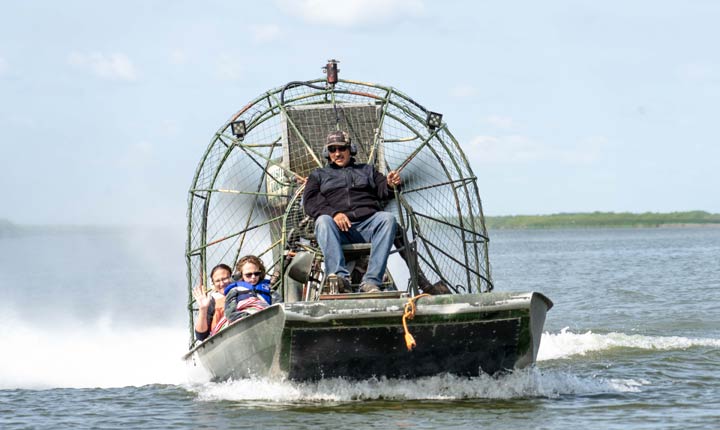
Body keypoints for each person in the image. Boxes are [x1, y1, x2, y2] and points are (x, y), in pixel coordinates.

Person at [303, 130, 401, 293]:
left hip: (366, 226)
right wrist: (334, 214)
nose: (337, 153)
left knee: (388, 219)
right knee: (322, 221)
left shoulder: (367, 170)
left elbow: (384, 190)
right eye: (332, 150)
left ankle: (371, 281)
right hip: (336, 230)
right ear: (327, 153)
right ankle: (340, 279)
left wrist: (391, 184)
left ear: (351, 149)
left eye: (341, 149)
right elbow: (310, 201)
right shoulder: (318, 175)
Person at [222, 255, 273, 323]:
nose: (253, 277)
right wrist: (250, 316)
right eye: (248, 275)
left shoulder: (268, 288)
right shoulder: (234, 290)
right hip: (245, 324)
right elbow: (230, 314)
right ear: (240, 275)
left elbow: (280, 307)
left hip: (267, 319)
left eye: (256, 273)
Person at [192, 263, 233, 341]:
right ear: (213, 284)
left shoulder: (242, 292)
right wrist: (203, 309)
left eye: (225, 279)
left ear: (231, 278)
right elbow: (201, 336)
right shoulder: (212, 302)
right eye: (217, 281)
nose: (222, 283)